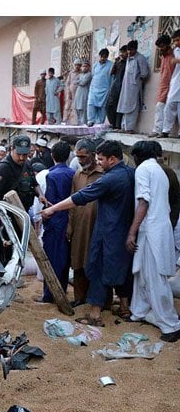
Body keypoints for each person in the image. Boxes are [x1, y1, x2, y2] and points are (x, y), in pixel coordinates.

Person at [41, 140, 134, 327]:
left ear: (113, 159)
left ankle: (94, 314)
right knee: (121, 270)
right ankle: (124, 307)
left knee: (97, 270)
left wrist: (53, 209)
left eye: (101, 159)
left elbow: (80, 197)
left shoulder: (109, 178)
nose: (99, 162)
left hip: (107, 232)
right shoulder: (130, 174)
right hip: (124, 231)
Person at [126, 141, 180, 342]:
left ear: (138, 156)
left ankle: (170, 325)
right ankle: (138, 312)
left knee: (155, 279)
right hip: (157, 227)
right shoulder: (158, 170)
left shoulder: (143, 169)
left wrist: (131, 232)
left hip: (151, 230)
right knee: (142, 274)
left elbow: (144, 201)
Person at [35, 141, 75, 304]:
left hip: (55, 221)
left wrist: (45, 216)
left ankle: (49, 295)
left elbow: (50, 202)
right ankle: (62, 290)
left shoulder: (51, 175)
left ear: (52, 155)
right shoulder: (73, 173)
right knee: (64, 258)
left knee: (51, 259)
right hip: (69, 220)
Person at [67, 139, 104, 308]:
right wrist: (70, 225)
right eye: (78, 157)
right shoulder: (77, 175)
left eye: (83, 156)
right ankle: (80, 297)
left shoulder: (103, 174)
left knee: (96, 263)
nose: (80, 160)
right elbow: (72, 202)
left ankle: (100, 301)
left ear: (93, 154)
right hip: (80, 226)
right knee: (78, 261)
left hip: (97, 226)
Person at [0, 134, 43, 211]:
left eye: (24, 155)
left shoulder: (27, 164)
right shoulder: (3, 168)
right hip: (9, 214)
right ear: (12, 149)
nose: (21, 158)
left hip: (24, 212)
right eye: (19, 154)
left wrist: (40, 195)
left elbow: (34, 183)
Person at [117, 40, 150, 133]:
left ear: (135, 49)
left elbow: (144, 73)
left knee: (132, 107)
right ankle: (124, 126)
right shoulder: (128, 58)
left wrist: (138, 82)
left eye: (131, 50)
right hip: (126, 86)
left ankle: (130, 128)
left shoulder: (140, 58)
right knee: (125, 106)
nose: (129, 52)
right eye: (128, 50)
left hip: (134, 87)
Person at [149, 35, 175, 137]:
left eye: (162, 46)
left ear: (168, 45)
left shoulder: (174, 55)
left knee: (170, 109)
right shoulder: (163, 56)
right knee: (160, 107)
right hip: (164, 86)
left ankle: (164, 131)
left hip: (173, 86)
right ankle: (158, 130)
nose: (161, 48)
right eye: (159, 47)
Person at [86, 48, 113, 126]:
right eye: (101, 56)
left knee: (102, 107)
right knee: (91, 104)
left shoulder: (111, 65)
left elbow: (112, 78)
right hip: (94, 89)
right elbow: (93, 76)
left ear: (107, 57)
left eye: (104, 57)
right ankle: (90, 120)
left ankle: (100, 122)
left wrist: (110, 90)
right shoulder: (95, 65)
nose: (102, 58)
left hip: (105, 89)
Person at [161, 29, 180, 138]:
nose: (176, 43)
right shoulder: (177, 50)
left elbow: (177, 60)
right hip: (176, 82)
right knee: (169, 106)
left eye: (178, 40)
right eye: (175, 41)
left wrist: (177, 61)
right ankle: (165, 130)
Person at [106, 45, 129, 130]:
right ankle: (112, 123)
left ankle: (117, 125)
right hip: (115, 87)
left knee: (119, 108)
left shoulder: (129, 62)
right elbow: (111, 73)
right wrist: (115, 63)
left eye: (123, 52)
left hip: (123, 88)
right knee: (109, 106)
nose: (122, 54)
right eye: (121, 52)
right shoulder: (119, 62)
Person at [64, 59, 82, 124]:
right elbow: (67, 83)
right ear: (74, 65)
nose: (77, 66)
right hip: (70, 93)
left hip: (78, 93)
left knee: (76, 107)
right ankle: (66, 121)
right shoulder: (71, 73)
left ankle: (76, 122)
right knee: (68, 107)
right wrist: (68, 91)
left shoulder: (82, 73)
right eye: (76, 65)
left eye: (79, 65)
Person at [74, 60, 92, 125]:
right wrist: (78, 81)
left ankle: (83, 127)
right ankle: (79, 126)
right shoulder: (81, 74)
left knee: (83, 112)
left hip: (84, 94)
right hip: (78, 94)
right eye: (83, 66)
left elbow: (83, 83)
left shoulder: (89, 74)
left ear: (89, 67)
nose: (84, 67)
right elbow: (74, 81)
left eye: (86, 66)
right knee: (78, 111)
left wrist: (78, 81)